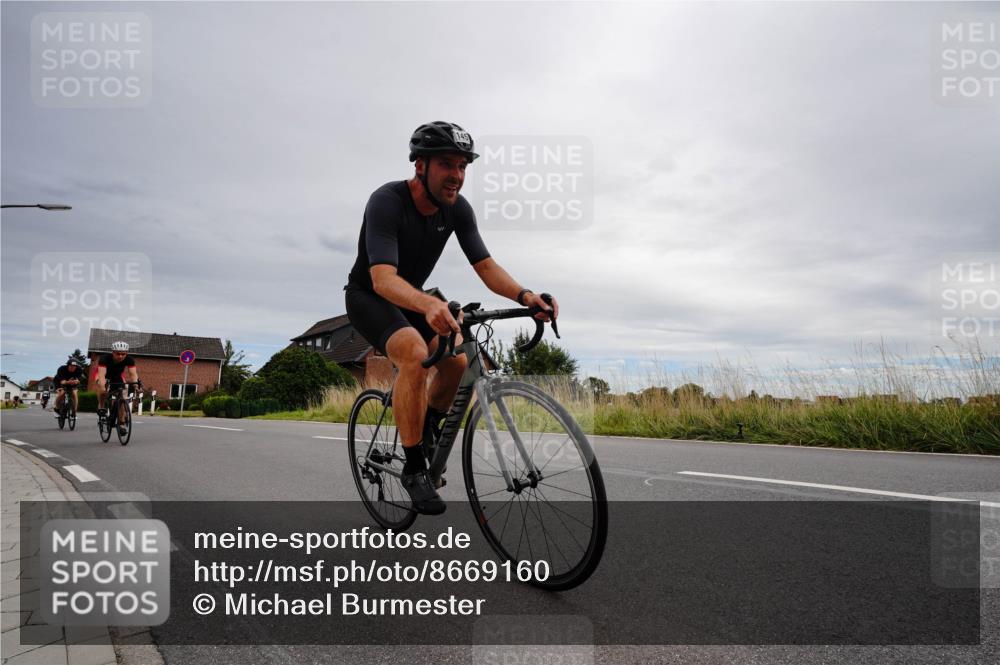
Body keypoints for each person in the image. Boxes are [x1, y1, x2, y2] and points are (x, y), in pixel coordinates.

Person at [345, 121, 557, 515]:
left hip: (414, 299)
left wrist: (526, 296)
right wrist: (427, 304)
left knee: (458, 365)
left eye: (463, 166)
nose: (457, 176)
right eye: (447, 164)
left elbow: (486, 265)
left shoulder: (457, 209)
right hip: (370, 295)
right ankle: (412, 470)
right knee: (411, 349)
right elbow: (383, 277)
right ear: (420, 166)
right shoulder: (387, 201)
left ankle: (424, 430)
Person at [95, 341, 141, 431]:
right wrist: (103, 386)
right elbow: (101, 375)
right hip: (103, 375)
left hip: (117, 377)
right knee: (102, 389)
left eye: (123, 354)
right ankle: (101, 406)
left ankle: (121, 424)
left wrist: (136, 385)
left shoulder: (129, 359)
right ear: (113, 352)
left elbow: (133, 374)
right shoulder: (104, 358)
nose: (120, 356)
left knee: (123, 398)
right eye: (118, 354)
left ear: (126, 353)